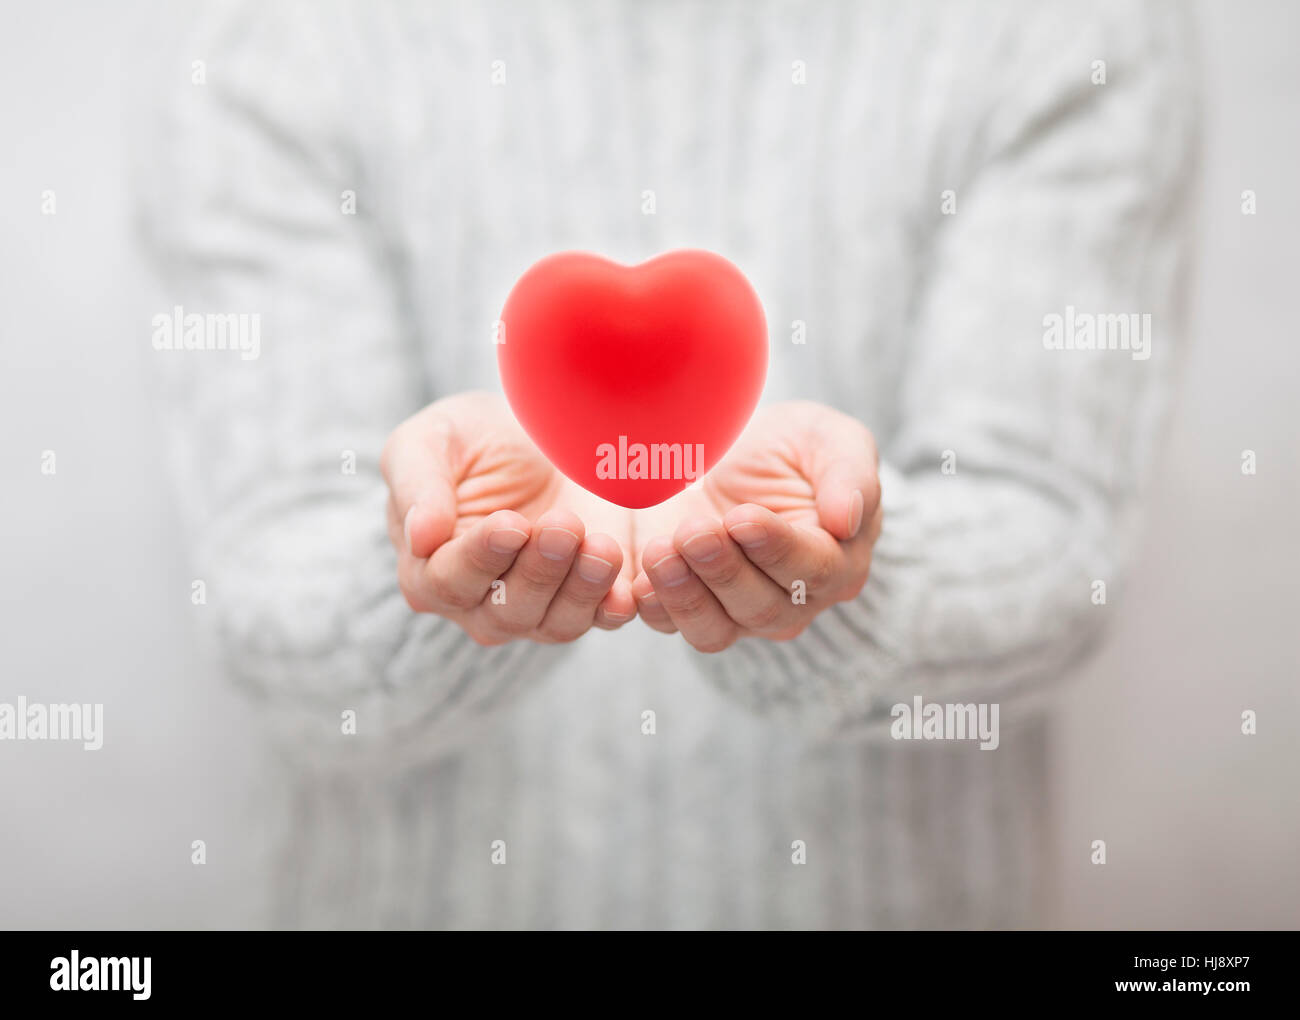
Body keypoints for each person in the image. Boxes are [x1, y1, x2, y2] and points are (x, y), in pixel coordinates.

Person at [137, 0, 1198, 928]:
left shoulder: (1065, 27)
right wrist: (434, 557)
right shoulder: (282, 41)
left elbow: (1058, 555)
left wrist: (845, 562)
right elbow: (263, 603)